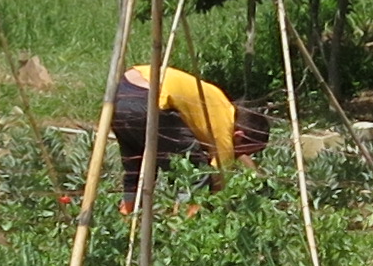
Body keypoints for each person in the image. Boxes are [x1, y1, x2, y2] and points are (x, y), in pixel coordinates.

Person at [110, 62, 268, 200]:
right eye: (245, 151)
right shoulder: (224, 132)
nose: (238, 156)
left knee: (137, 171)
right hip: (148, 99)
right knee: (192, 173)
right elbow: (218, 181)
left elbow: (238, 154)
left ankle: (128, 214)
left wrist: (258, 174)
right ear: (238, 135)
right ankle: (188, 219)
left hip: (121, 92)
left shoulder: (220, 105)